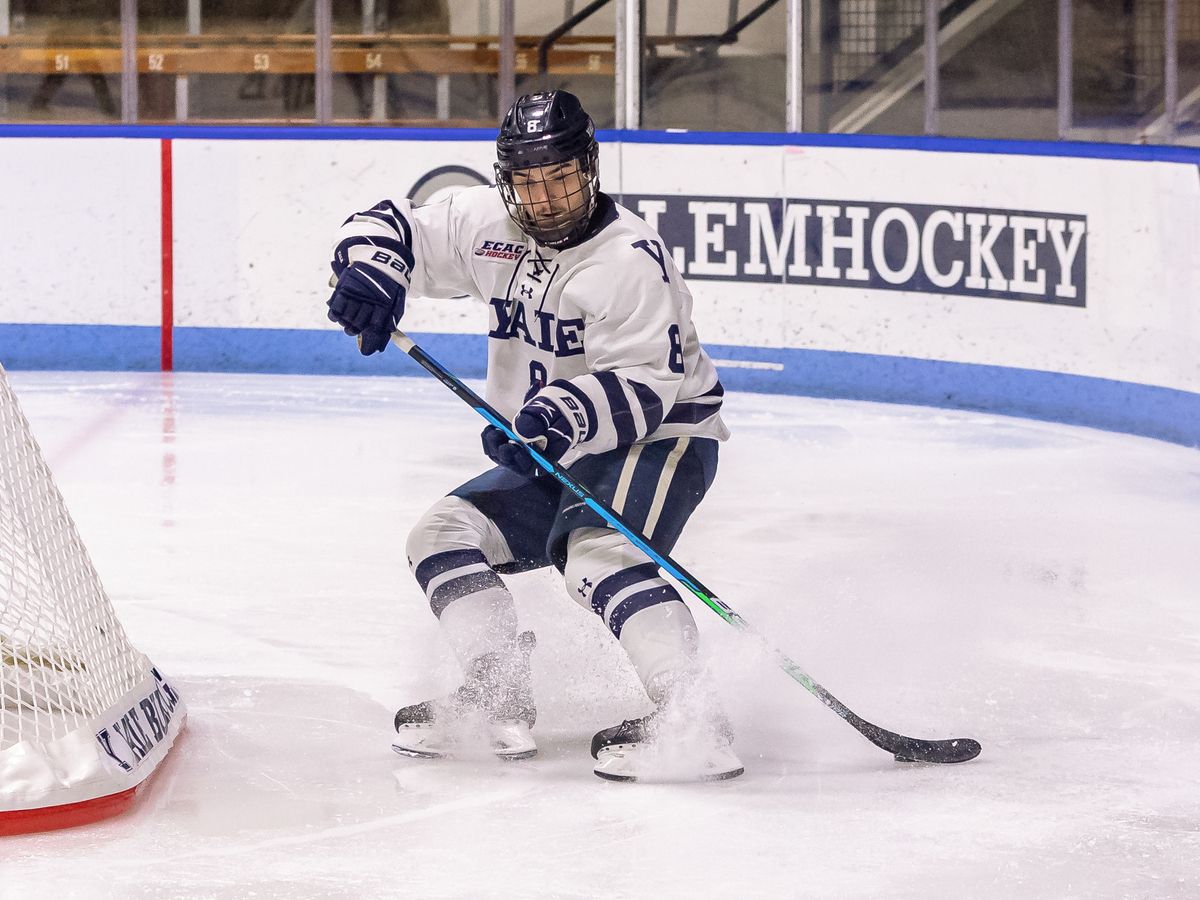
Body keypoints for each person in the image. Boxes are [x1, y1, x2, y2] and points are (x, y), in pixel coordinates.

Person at [325, 90, 742, 782]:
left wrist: (554, 418)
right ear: (505, 180)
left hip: (659, 434)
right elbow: (392, 224)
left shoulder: (629, 257)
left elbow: (645, 381)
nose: (544, 197)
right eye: (526, 180)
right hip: (545, 441)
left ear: (590, 168)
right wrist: (375, 270)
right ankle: (497, 696)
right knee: (440, 537)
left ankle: (694, 716)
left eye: (560, 177)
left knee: (598, 557)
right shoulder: (484, 223)